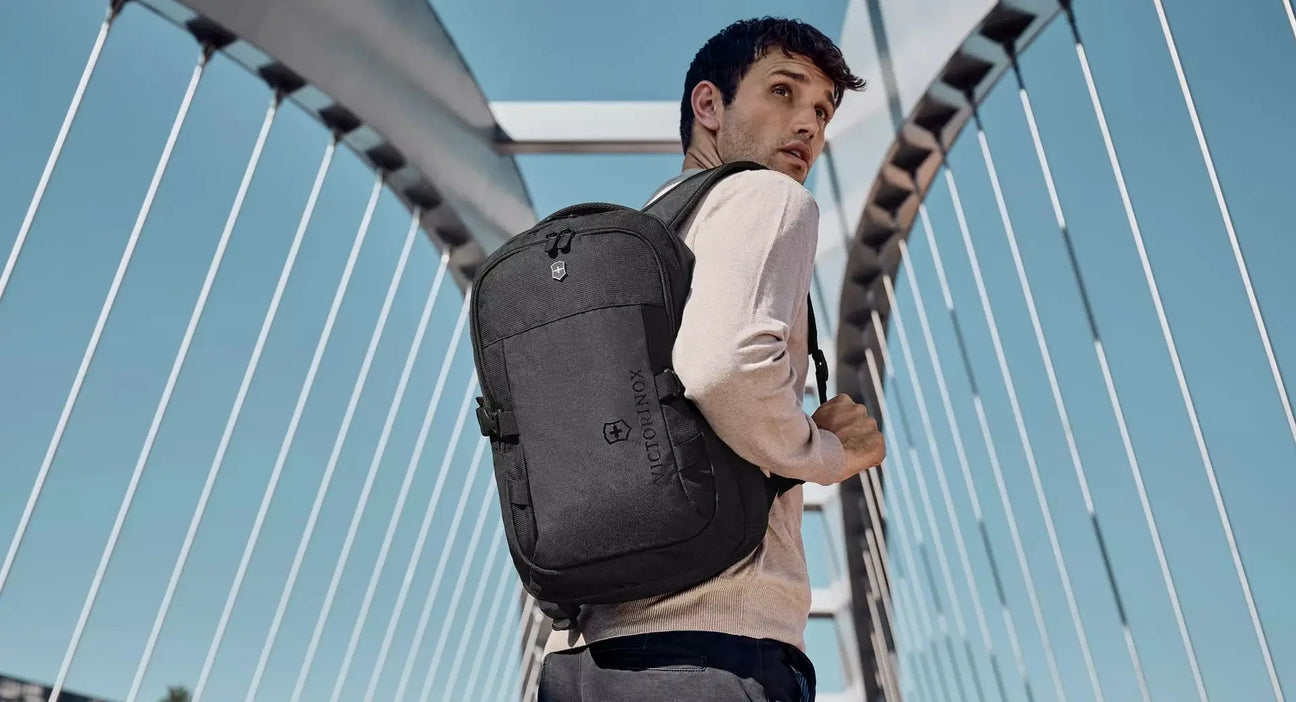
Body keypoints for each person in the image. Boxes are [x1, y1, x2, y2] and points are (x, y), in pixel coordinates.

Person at [537, 17, 885, 702]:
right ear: (708, 106)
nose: (809, 125)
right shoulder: (766, 196)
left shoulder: (634, 247)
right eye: (782, 92)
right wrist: (828, 452)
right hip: (715, 649)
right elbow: (726, 368)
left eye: (822, 109)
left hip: (580, 660)